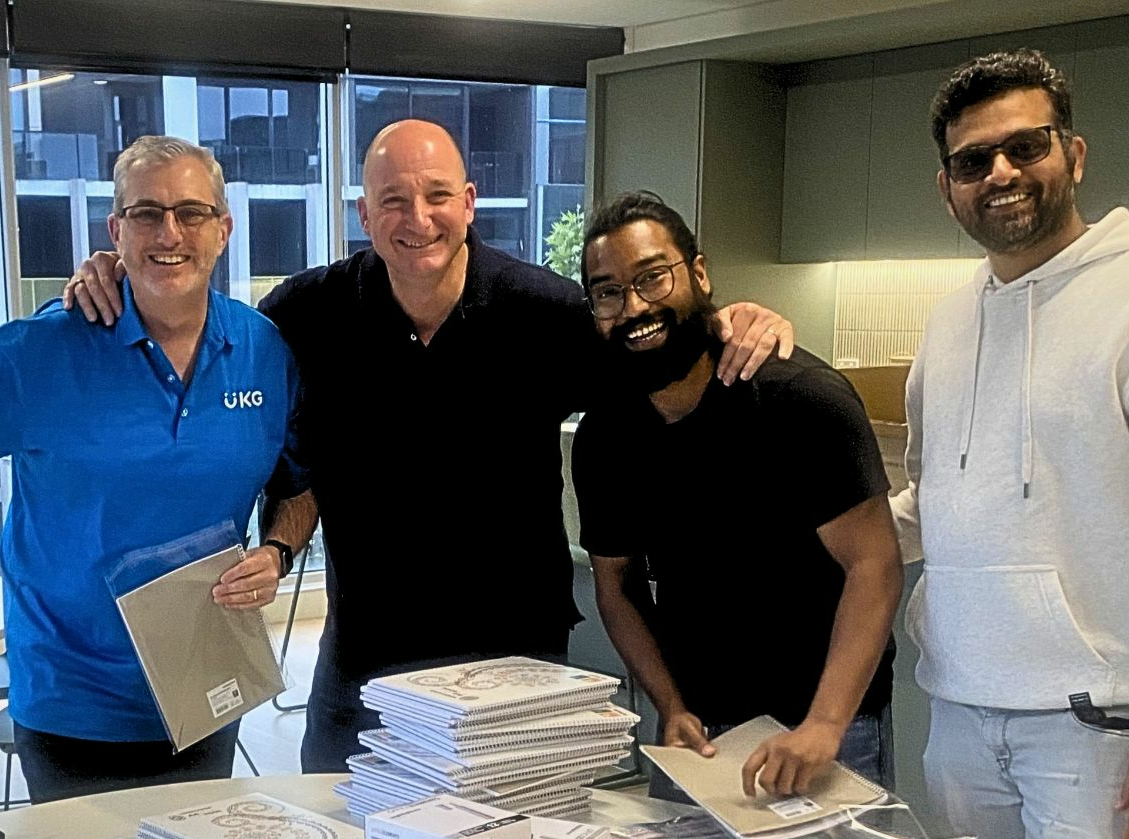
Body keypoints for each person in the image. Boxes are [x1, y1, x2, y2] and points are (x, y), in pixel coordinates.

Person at [64, 119, 798, 773]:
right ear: (364, 215)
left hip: (518, 666)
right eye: (392, 200)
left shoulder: (545, 314)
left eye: (438, 196)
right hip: (366, 666)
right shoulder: (308, 314)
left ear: (471, 204)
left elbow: (657, 355)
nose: (418, 219)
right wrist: (116, 276)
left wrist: (732, 316)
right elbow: (205, 339)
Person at [0, 136, 310, 802]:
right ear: (115, 232)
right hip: (74, 700)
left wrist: (276, 551)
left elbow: (299, 488)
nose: (170, 233)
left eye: (192, 212)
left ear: (223, 228)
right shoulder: (43, 352)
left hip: (206, 681)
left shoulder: (264, 350)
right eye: (146, 214)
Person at [891, 49, 1129, 839]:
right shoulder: (949, 321)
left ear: (1074, 153)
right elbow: (935, 501)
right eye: (971, 161)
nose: (999, 172)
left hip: (1096, 724)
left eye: (1024, 147)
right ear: (947, 186)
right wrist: (828, 537)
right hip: (957, 710)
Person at [572, 191, 902, 802]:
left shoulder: (800, 399)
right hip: (696, 740)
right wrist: (668, 706)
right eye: (609, 291)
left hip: (824, 729)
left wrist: (824, 726)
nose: (635, 306)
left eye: (652, 278)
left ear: (698, 274)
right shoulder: (606, 435)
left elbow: (874, 563)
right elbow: (614, 586)